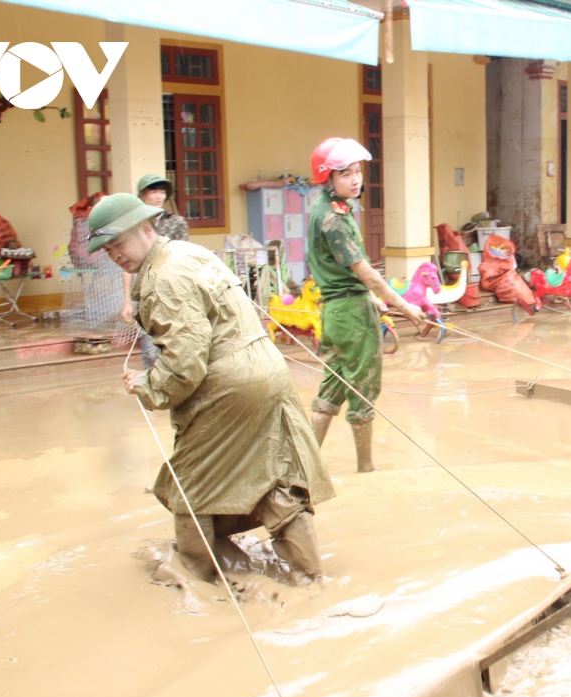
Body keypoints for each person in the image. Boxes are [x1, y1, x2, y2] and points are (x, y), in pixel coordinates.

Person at [90, 193, 334, 586]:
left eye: (119, 242)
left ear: (146, 228)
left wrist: (146, 385)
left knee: (190, 484)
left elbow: (185, 365)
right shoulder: (190, 252)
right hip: (268, 368)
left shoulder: (162, 278)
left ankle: (202, 581)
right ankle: (313, 578)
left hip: (229, 384)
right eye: (107, 248)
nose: (114, 254)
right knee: (274, 472)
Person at [306, 137, 428, 472]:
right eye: (345, 173)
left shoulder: (325, 211)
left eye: (357, 171)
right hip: (352, 314)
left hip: (335, 311)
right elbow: (366, 273)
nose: (355, 179)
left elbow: (341, 271)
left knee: (332, 386)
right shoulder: (333, 219)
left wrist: (373, 298)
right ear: (328, 178)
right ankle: (367, 472)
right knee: (363, 388)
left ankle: (306, 466)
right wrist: (406, 306)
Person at [120, 174, 189, 368]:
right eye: (154, 191)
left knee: (175, 347)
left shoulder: (176, 223)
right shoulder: (133, 227)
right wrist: (127, 302)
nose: (159, 196)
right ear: (142, 195)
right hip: (146, 295)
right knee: (150, 353)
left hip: (172, 293)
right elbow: (128, 267)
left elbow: (183, 257)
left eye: (162, 192)